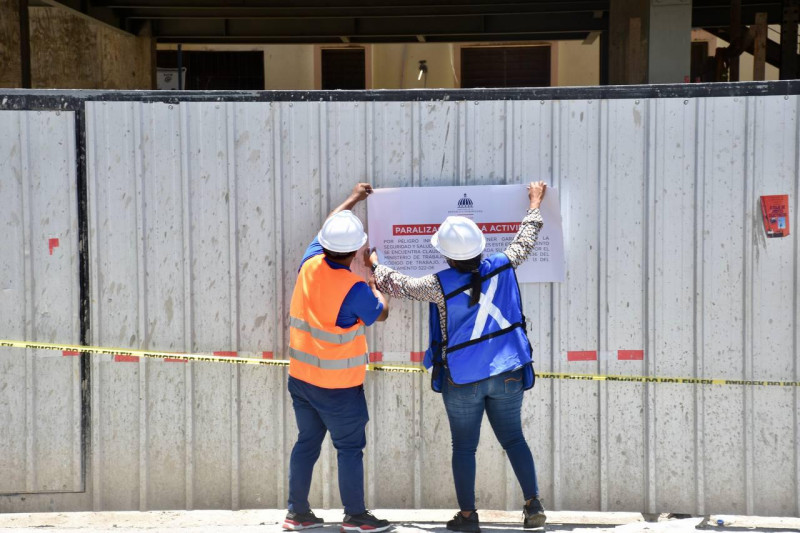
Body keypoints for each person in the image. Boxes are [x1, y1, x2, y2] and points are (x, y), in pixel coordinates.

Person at [368, 181, 548, 532]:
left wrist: (374, 265)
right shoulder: (504, 263)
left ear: (448, 257)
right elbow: (526, 239)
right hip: (509, 369)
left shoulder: (439, 284)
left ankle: (468, 517)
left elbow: (401, 285)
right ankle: (533, 505)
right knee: (514, 438)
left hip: (462, 378)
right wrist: (535, 201)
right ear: (479, 246)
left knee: (465, 448)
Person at [284, 183, 391, 533]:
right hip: (338, 388)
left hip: (301, 380)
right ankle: (356, 517)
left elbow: (330, 225)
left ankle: (296, 513)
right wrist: (374, 276)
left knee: (307, 443)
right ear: (356, 248)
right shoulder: (355, 289)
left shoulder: (310, 262)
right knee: (349, 448)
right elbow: (382, 312)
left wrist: (353, 199)